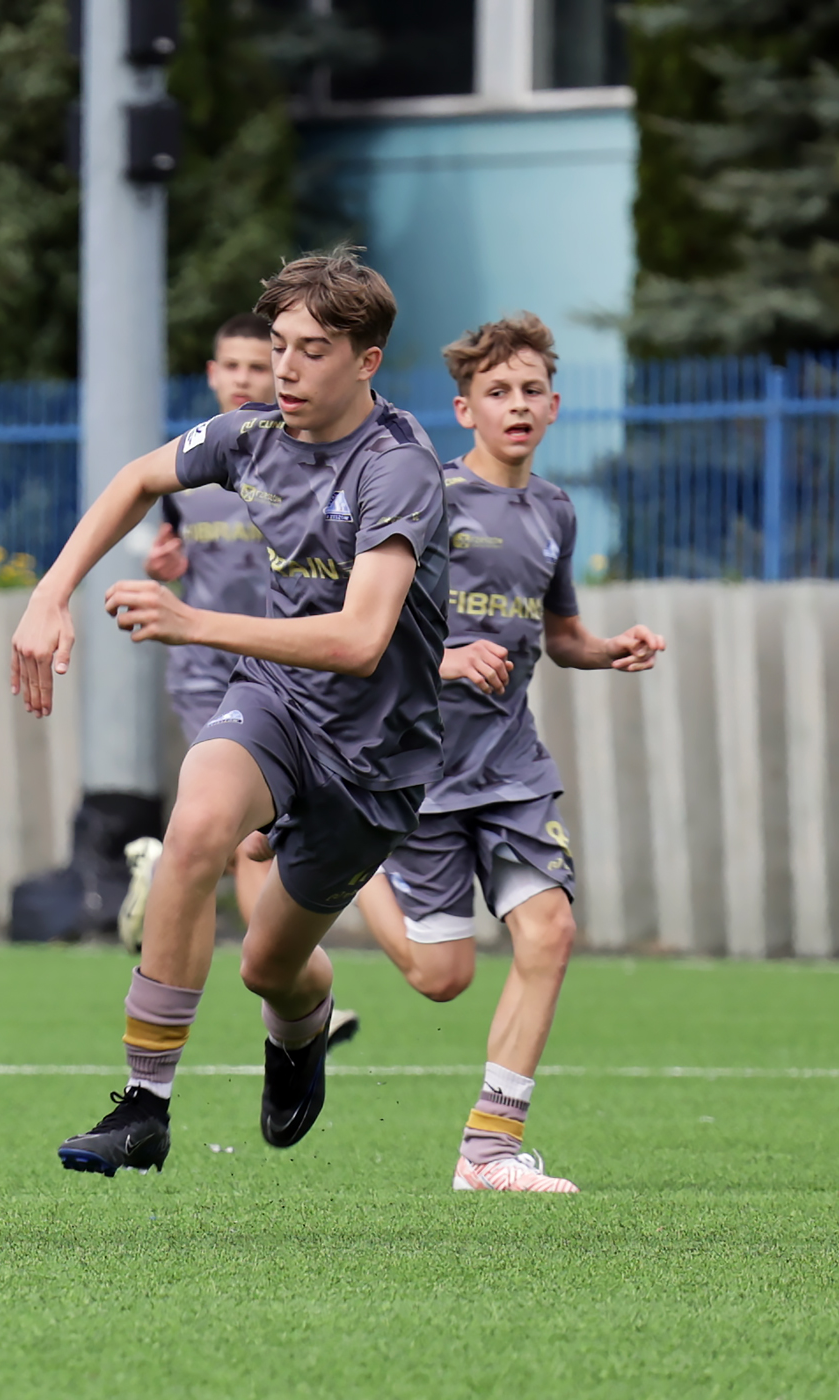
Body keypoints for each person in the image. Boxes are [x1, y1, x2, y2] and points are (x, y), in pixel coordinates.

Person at [13, 248, 447, 1176]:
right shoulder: (251, 437)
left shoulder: (397, 468)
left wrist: (190, 623)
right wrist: (51, 593)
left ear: (367, 361)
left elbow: (364, 637)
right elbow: (135, 479)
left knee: (270, 968)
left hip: (376, 757)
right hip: (277, 706)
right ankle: (145, 1105)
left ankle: (302, 1031)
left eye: (313, 350)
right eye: (279, 345)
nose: (286, 369)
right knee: (194, 831)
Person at [353, 314, 665, 1193]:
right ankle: (342, 864)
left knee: (550, 931)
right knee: (442, 976)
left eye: (531, 391)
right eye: (498, 392)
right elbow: (362, 626)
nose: (516, 405)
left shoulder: (555, 511)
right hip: (423, 768)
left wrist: (609, 648)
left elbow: (558, 634)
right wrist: (446, 657)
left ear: (556, 406)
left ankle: (489, 1151)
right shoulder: (431, 499)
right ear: (465, 410)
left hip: (512, 769)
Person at [125, 313, 360, 1046]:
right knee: (254, 838)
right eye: (235, 368)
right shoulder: (192, 471)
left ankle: (163, 877)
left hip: (288, 674)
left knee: (247, 836)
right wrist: (160, 569)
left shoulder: (304, 465)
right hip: (207, 676)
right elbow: (154, 552)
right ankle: (292, 978)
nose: (250, 380)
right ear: (212, 374)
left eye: (261, 367)